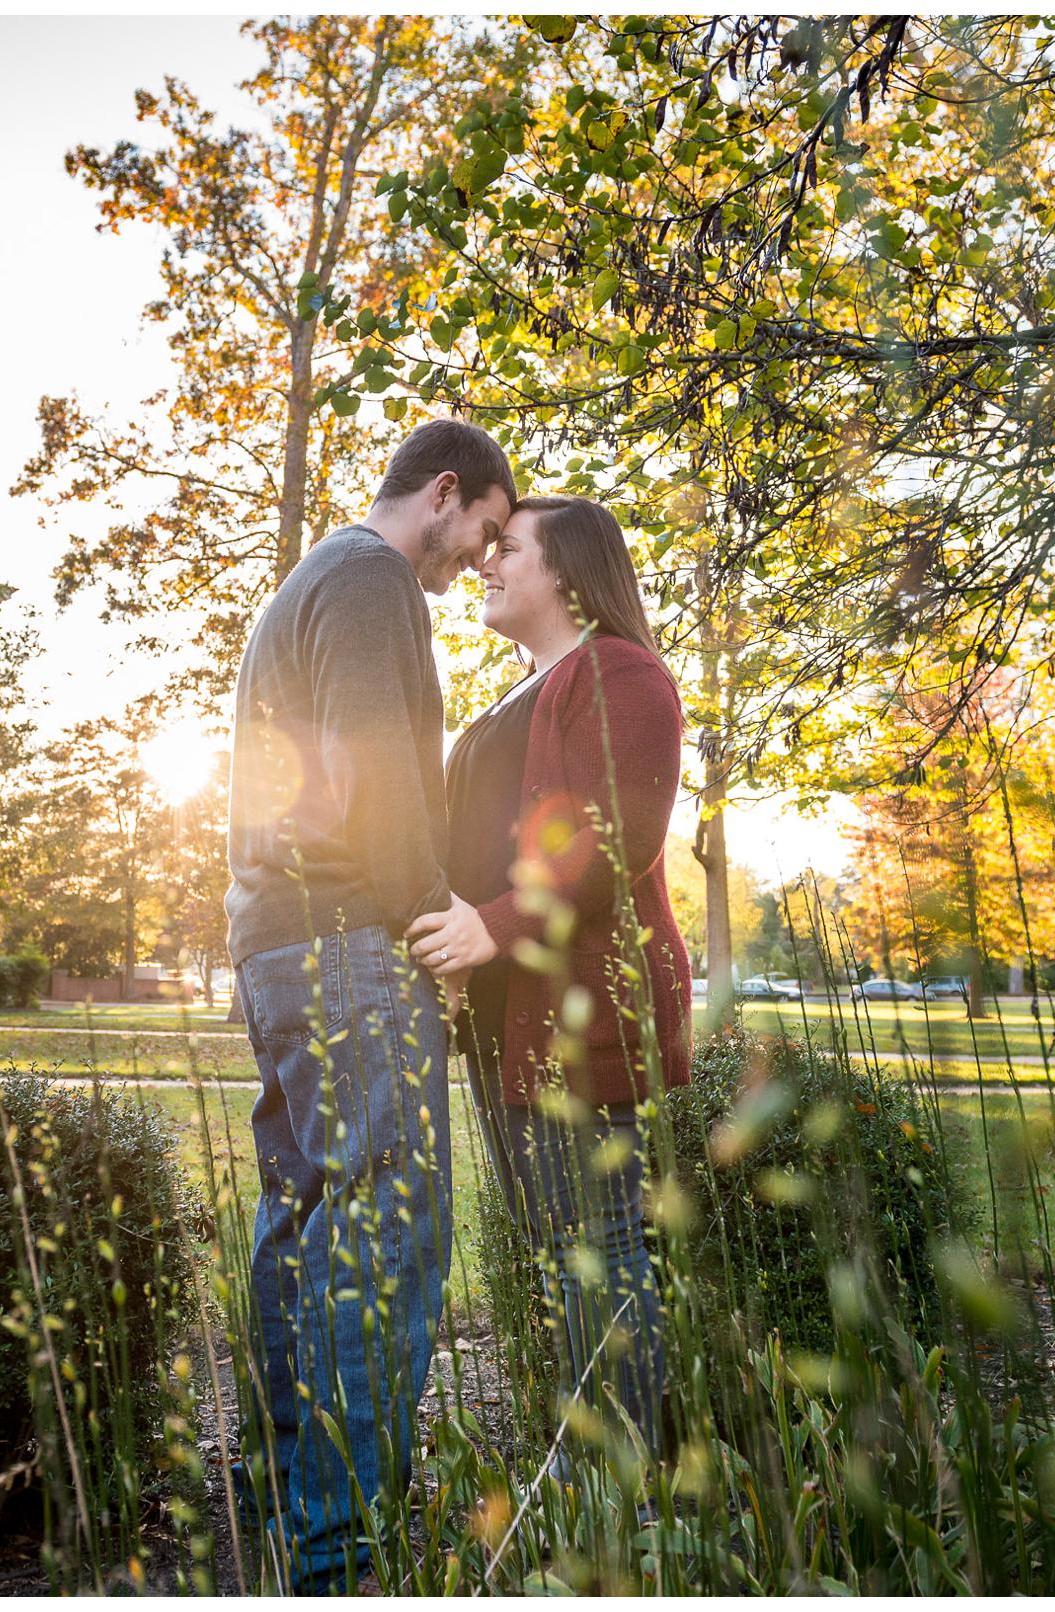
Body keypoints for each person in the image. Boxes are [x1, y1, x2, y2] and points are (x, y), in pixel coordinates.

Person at [224, 417, 518, 1591]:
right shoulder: (370, 577)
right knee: (391, 1235)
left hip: (279, 937)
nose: (478, 562)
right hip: (348, 936)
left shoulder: (317, 575)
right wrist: (440, 919)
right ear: (443, 493)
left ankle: (285, 1503)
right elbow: (372, 777)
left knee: (301, 1216)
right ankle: (345, 1552)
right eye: (484, 531)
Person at [404, 494, 692, 1479]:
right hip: (502, 1025)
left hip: (579, 1018)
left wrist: (488, 924)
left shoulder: (623, 675)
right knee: (558, 1248)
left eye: (509, 547)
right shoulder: (516, 693)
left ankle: (619, 1484)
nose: (487, 560)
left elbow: (615, 838)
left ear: (569, 572)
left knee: (599, 1248)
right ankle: (597, 1458)